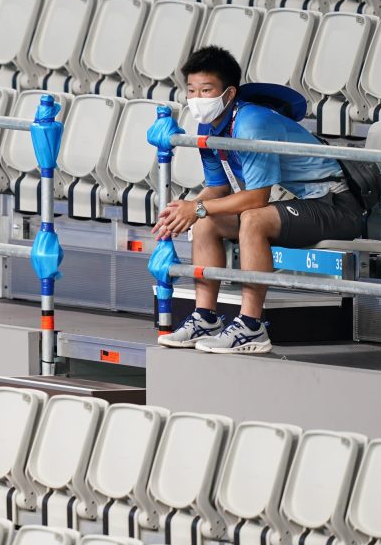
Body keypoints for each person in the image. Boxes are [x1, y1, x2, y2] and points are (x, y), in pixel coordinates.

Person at [154, 46, 365, 354]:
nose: (198, 98)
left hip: (336, 204)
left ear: (229, 93)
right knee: (206, 223)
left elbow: (256, 197)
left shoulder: (251, 123)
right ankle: (205, 317)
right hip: (303, 203)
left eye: (207, 90)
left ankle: (251, 328)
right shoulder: (209, 127)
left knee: (253, 219)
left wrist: (197, 207)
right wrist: (183, 210)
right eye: (192, 90)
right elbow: (218, 188)